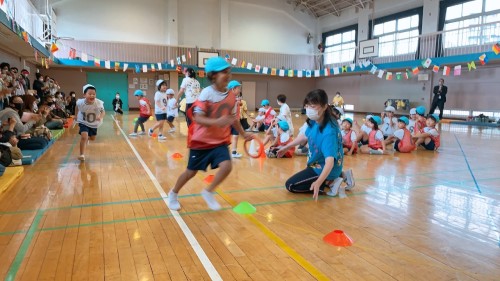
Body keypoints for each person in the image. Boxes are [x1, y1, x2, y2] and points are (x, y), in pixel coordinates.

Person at [166, 57, 252, 211]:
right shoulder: (206, 93)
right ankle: (173, 193)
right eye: (223, 72)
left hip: (219, 141)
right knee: (191, 172)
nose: (228, 75)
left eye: (228, 72)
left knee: (227, 166)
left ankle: (208, 191)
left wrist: (244, 134)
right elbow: (197, 117)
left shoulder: (231, 96)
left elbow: (233, 119)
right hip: (201, 141)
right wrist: (217, 122)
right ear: (213, 75)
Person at [277, 89, 345, 200]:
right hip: (317, 164)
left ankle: (330, 181)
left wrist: (318, 182)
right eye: (307, 106)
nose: (308, 109)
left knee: (290, 185)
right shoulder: (315, 119)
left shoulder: (329, 132)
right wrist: (286, 147)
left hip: (325, 168)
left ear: (324, 107)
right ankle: (340, 176)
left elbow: (329, 162)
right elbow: (304, 136)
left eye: (313, 106)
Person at [75, 84, 105, 161]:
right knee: (84, 136)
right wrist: (76, 115)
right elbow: (77, 107)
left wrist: (100, 117)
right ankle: (82, 155)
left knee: (93, 138)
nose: (92, 95)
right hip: (83, 121)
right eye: (90, 94)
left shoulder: (98, 103)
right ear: (84, 95)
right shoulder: (80, 102)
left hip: (94, 123)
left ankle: (87, 138)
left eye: (94, 94)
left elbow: (103, 112)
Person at [228, 80, 243, 158]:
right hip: (229, 121)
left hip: (235, 119)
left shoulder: (235, 97)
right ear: (233, 89)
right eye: (238, 88)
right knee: (227, 137)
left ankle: (233, 152)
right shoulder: (229, 98)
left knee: (235, 135)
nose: (239, 90)